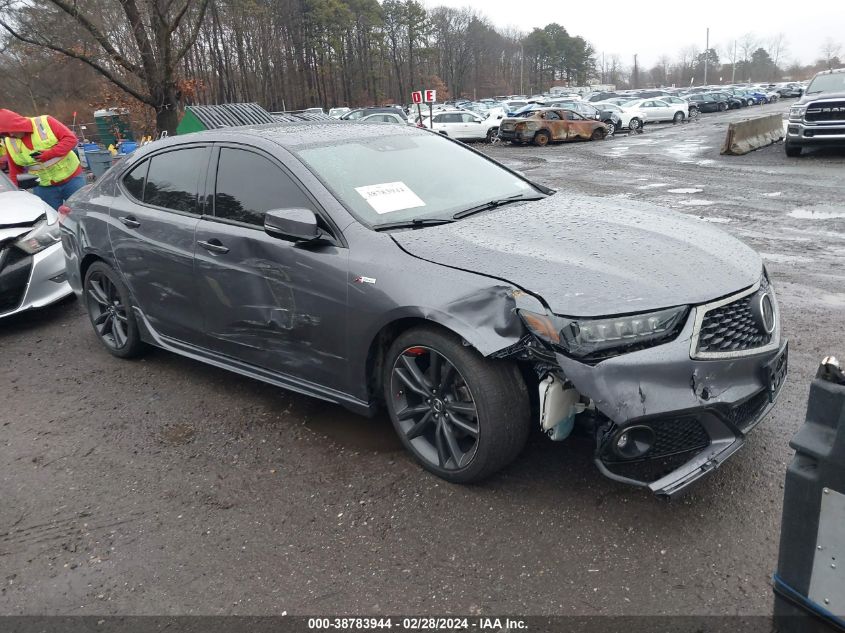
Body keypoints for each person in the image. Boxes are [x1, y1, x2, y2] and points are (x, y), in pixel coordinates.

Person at [0, 109, 85, 209]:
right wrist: (15, 193)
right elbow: (15, 171)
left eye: (10, 131)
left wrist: (50, 154)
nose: (11, 136)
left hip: (72, 179)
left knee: (81, 211)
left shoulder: (45, 122)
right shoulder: (10, 142)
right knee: (52, 219)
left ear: (17, 124)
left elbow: (71, 139)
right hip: (43, 187)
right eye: (5, 134)